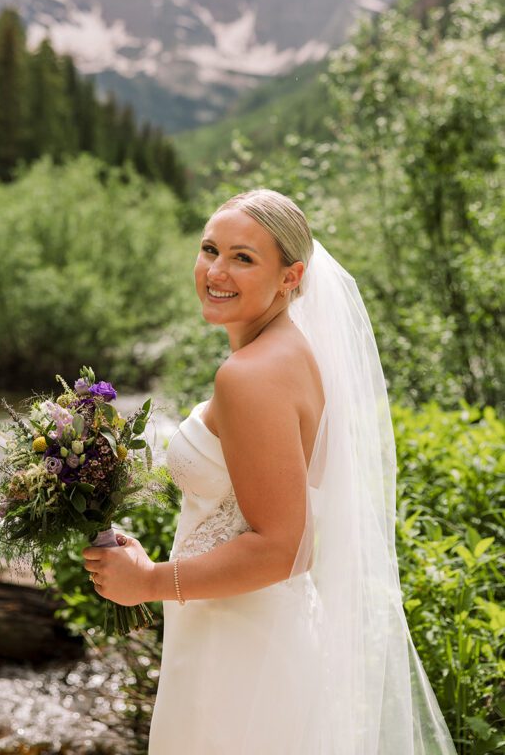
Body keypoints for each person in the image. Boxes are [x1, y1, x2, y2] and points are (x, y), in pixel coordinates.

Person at [82, 189, 458, 754]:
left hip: (240, 647)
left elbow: (283, 548)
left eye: (243, 257)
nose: (215, 270)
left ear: (291, 276)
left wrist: (148, 582)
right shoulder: (290, 351)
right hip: (245, 624)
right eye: (210, 249)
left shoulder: (252, 375)